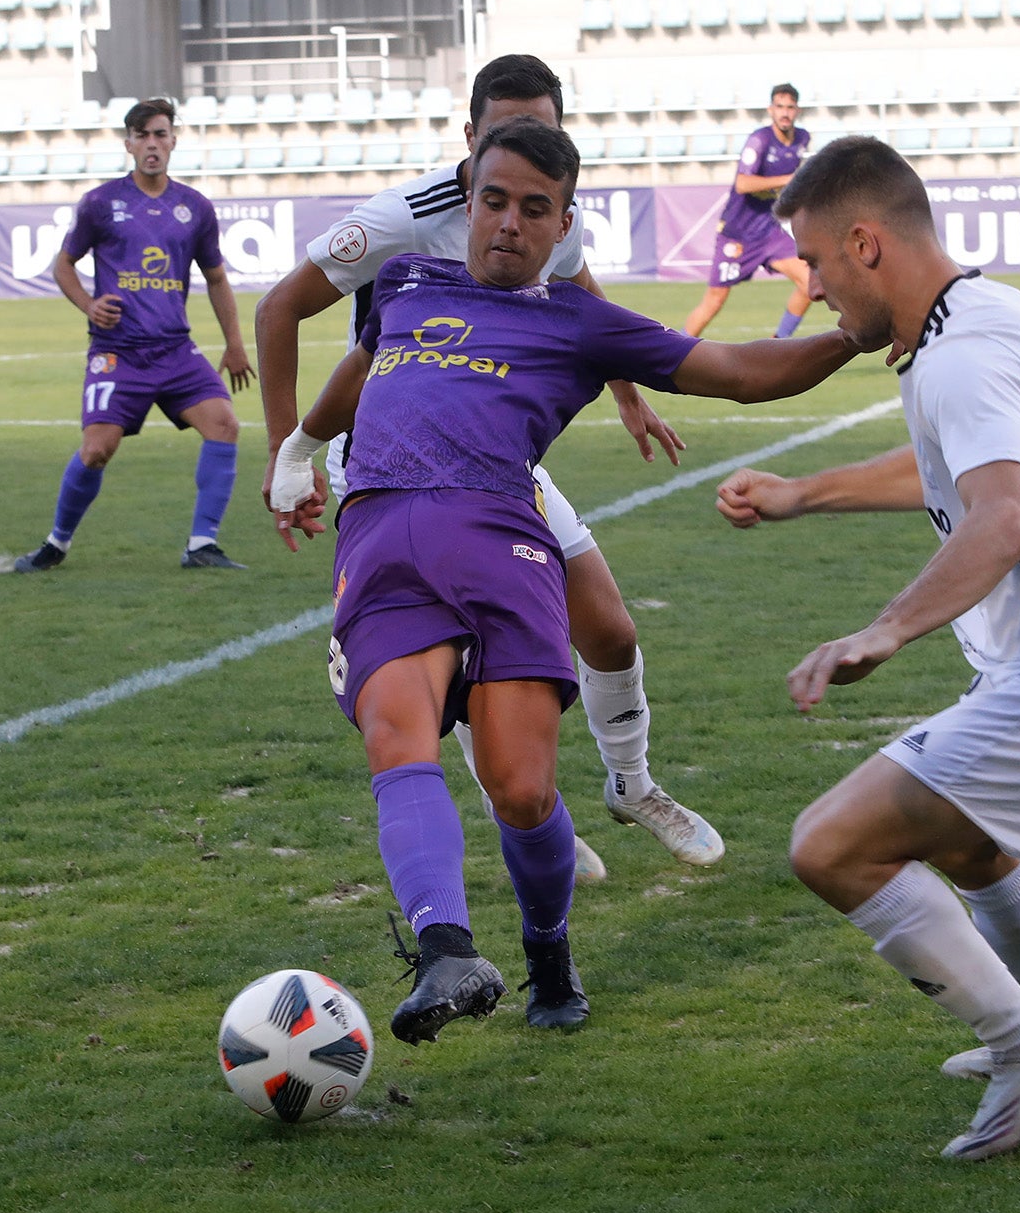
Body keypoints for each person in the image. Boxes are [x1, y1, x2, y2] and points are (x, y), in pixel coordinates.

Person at [268, 119, 859, 1045]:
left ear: (562, 225)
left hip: (502, 537)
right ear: (469, 202)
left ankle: (548, 951)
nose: (508, 222)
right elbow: (362, 364)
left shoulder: (579, 321)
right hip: (381, 533)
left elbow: (741, 373)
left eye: (532, 209)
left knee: (522, 791)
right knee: (397, 734)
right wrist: (300, 447)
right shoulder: (406, 284)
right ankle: (446, 950)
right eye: (494, 200)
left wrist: (854, 334)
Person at [715, 136, 1020, 1161]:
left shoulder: (960, 355)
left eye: (821, 265)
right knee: (970, 845)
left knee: (830, 844)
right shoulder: (984, 309)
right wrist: (803, 492)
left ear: (866, 243)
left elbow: (1001, 517)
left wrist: (884, 627)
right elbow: (955, 465)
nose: (818, 289)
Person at [255, 55, 723, 879]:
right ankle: (528, 814)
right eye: (505, 133)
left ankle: (633, 785)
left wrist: (628, 395)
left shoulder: (550, 197)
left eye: (542, 132)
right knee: (458, 654)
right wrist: (290, 452)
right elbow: (279, 306)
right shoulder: (405, 217)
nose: (523, 149)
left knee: (609, 628)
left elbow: (582, 296)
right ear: (470, 140)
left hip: (496, 458)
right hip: (401, 461)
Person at [14, 99, 254, 575]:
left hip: (175, 350)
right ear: (128, 144)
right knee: (97, 449)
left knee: (224, 424)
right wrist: (88, 304)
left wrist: (234, 343)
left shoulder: (195, 208)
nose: (152, 144)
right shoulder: (101, 204)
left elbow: (217, 277)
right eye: (143, 135)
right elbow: (63, 265)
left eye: (160, 134)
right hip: (117, 353)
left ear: (172, 141)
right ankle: (56, 544)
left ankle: (202, 545)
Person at [682, 84, 815, 340]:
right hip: (738, 234)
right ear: (770, 109)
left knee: (811, 284)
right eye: (779, 107)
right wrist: (790, 179)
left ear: (797, 110)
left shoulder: (802, 139)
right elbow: (743, 184)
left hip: (769, 232)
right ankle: (672, 355)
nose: (785, 113)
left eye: (789, 107)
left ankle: (778, 346)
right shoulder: (760, 140)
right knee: (715, 300)